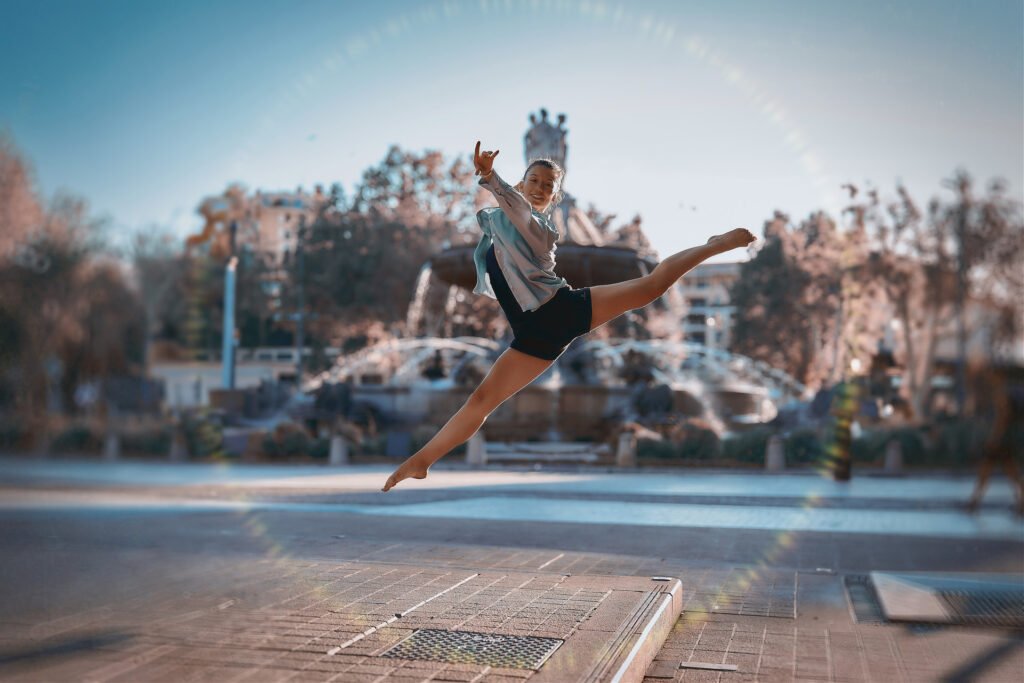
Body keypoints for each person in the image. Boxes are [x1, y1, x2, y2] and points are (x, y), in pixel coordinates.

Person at [382, 141, 755, 491]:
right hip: (532, 338)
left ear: (555, 196)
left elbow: (519, 211)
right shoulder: (498, 223)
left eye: (549, 185)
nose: (541, 188)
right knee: (480, 401)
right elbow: (509, 212)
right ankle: (422, 460)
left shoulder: (542, 229)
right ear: (521, 183)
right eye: (534, 180)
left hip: (563, 310)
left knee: (652, 285)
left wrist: (490, 179)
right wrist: (497, 186)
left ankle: (714, 246)